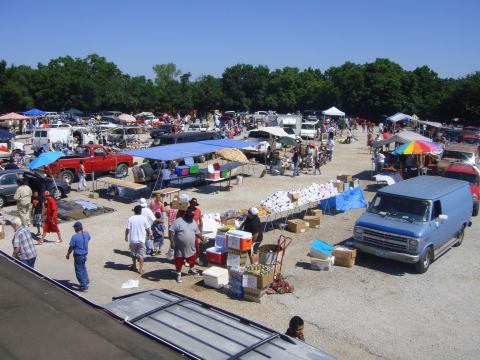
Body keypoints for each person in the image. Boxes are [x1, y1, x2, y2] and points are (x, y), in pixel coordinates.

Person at [169, 208, 204, 283]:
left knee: (192, 259)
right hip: (179, 248)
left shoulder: (193, 222)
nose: (191, 217)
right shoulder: (178, 221)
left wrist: (203, 239)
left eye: (192, 216)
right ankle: (178, 274)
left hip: (190, 247)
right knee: (179, 261)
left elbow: (197, 232)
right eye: (190, 216)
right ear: (186, 215)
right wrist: (172, 242)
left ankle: (191, 269)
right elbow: (171, 231)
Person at [125, 205, 151, 274]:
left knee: (133, 254)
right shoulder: (144, 218)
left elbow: (127, 229)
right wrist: (149, 235)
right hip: (141, 240)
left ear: (134, 211)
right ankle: (140, 269)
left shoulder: (130, 218)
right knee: (141, 255)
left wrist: (126, 236)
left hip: (133, 240)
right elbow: (148, 229)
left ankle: (134, 266)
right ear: (141, 211)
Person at [66, 221, 91, 292]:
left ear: (76, 228)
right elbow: (88, 239)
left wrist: (68, 254)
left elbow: (71, 247)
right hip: (85, 254)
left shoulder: (74, 237)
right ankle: (86, 281)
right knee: (83, 267)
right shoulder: (86, 234)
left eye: (74, 227)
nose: (74, 229)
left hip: (78, 256)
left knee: (78, 270)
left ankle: (84, 286)